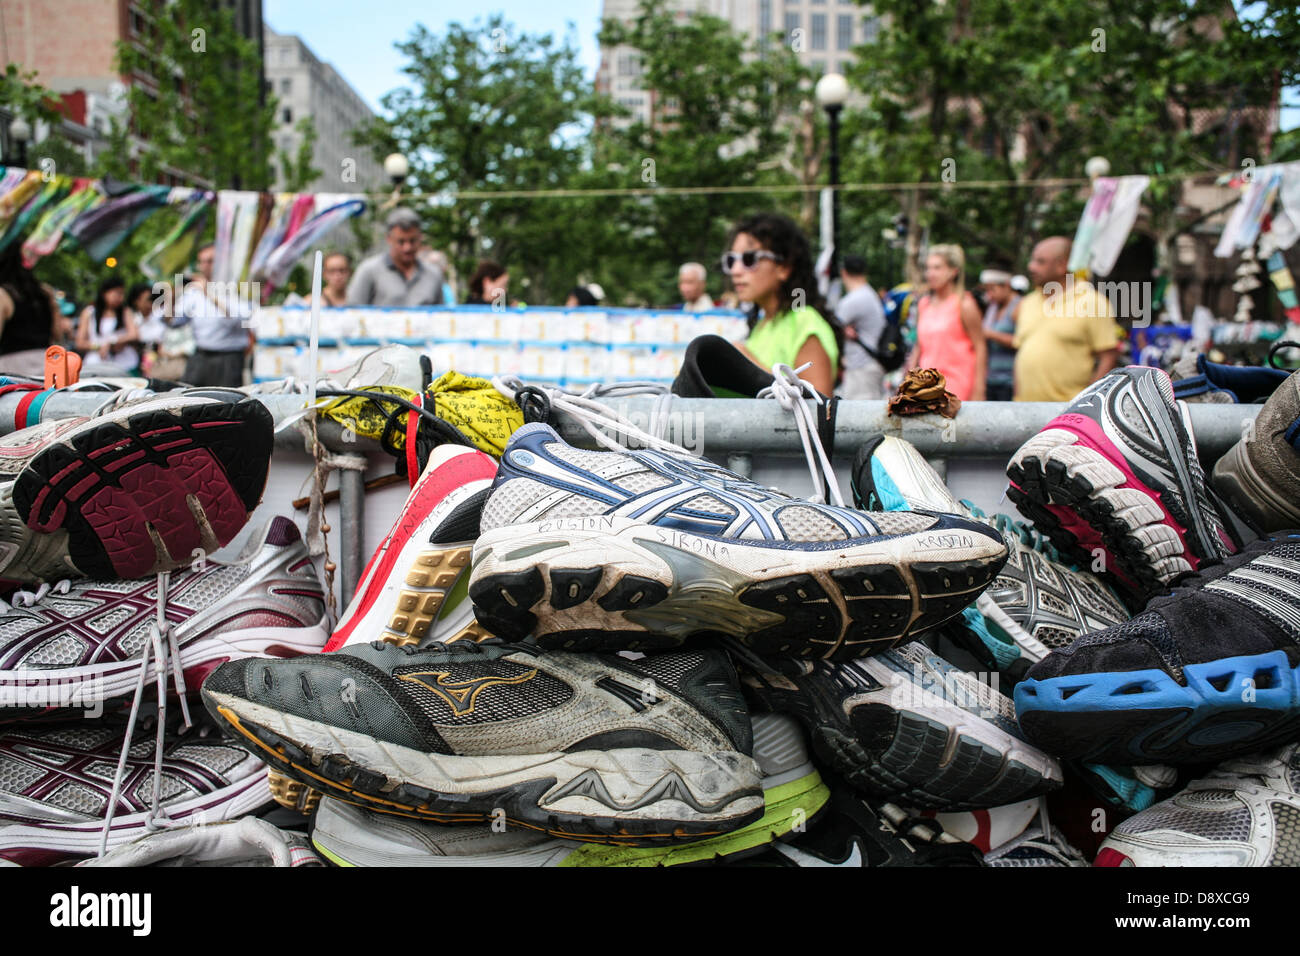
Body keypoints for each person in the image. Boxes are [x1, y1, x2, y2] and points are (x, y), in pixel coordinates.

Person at [727, 212, 841, 397]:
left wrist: (743, 362)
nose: (735, 270)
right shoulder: (763, 324)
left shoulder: (804, 323)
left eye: (749, 259)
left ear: (783, 267)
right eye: (732, 260)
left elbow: (818, 413)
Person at [1013, 236, 1121, 402]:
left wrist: (1088, 402)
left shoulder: (1092, 301)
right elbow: (1022, 352)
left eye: (1040, 262)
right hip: (1024, 411)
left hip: (1068, 414)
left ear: (1062, 265)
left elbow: (1108, 356)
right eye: (1032, 260)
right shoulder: (1027, 302)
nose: (1031, 267)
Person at [909, 244, 986, 401]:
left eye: (937, 268)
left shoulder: (964, 304)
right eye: (928, 268)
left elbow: (980, 346)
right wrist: (908, 380)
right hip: (927, 386)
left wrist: (979, 390)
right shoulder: (924, 303)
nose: (930, 273)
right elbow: (919, 345)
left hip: (956, 385)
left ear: (953, 271)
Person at [171, 243, 252, 387]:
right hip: (200, 357)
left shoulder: (238, 287)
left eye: (210, 261)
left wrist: (208, 293)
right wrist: (170, 298)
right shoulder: (193, 291)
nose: (205, 266)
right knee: (189, 400)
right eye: (201, 262)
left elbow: (238, 320)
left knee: (225, 404)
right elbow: (174, 322)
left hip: (228, 359)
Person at [346, 208, 444, 307]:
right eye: (401, 242)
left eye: (412, 241)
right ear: (388, 239)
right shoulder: (369, 271)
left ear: (420, 238)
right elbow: (353, 312)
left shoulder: (434, 274)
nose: (407, 248)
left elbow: (441, 316)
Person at [835, 254, 889, 400]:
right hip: (869, 365)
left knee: (858, 417)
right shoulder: (869, 294)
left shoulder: (854, 299)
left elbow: (831, 327)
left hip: (861, 367)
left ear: (844, 272)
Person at [0, 244, 55, 376]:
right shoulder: (45, 293)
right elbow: (57, 334)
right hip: (47, 366)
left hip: (12, 371)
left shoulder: (3, 295)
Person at [76, 277, 140, 373]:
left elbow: (134, 334)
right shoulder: (89, 312)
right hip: (96, 363)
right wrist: (99, 346)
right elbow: (80, 342)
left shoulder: (125, 312)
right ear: (105, 293)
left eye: (122, 294)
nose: (120, 298)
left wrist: (113, 342)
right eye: (117, 293)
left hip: (123, 363)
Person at [980, 265, 1020, 402]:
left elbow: (1022, 342)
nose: (989, 294)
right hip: (991, 379)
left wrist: (991, 334)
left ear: (1006, 286)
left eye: (993, 289)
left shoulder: (1019, 307)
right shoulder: (993, 307)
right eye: (987, 290)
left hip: (1009, 381)